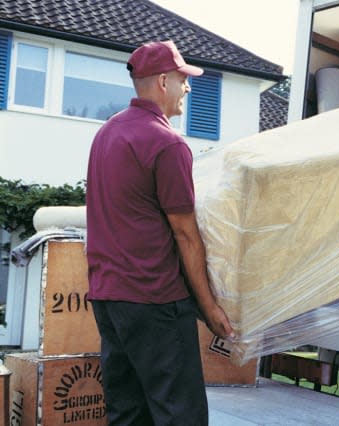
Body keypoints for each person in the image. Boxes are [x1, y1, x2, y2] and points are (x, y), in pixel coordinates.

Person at [86, 40, 234, 425]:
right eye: (185, 79)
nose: (189, 87)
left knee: (127, 412)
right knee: (179, 415)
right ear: (164, 81)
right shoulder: (167, 143)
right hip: (154, 301)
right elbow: (186, 234)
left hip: (109, 299)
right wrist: (210, 307)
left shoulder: (107, 133)